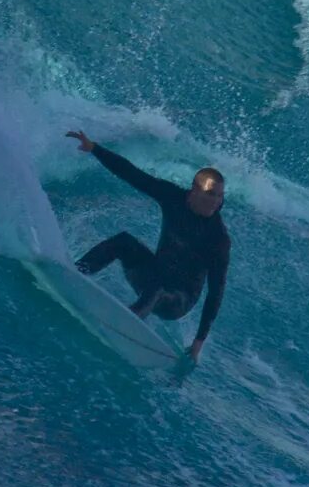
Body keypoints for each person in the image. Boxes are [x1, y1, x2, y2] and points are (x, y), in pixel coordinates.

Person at [64, 129, 230, 363]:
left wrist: (198, 342)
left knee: (159, 290)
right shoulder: (173, 197)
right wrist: (94, 148)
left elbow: (216, 291)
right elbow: (133, 175)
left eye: (220, 196)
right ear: (193, 191)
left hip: (178, 299)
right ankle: (75, 273)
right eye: (211, 194)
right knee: (123, 241)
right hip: (153, 273)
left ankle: (124, 325)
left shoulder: (218, 237)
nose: (217, 202)